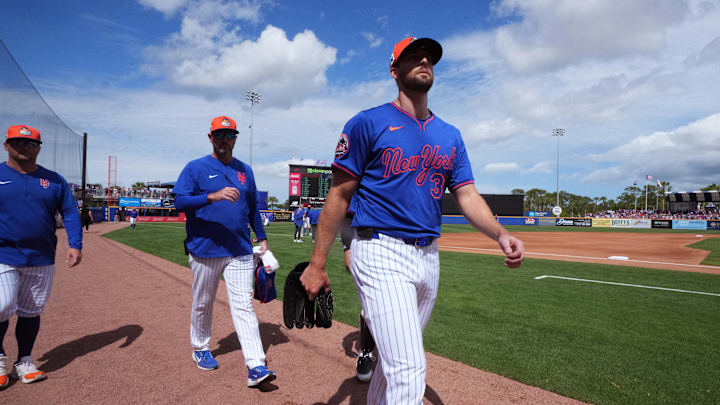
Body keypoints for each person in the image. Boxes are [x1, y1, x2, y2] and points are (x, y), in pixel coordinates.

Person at [300, 37, 525, 403]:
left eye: (429, 57)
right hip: (379, 250)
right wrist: (317, 262)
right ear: (394, 70)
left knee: (394, 368)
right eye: (412, 56)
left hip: (428, 257)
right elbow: (339, 195)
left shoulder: (450, 135)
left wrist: (500, 234)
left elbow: (467, 195)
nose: (424, 59)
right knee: (409, 370)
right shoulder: (367, 123)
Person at [172, 115, 275, 388]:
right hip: (205, 249)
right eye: (219, 135)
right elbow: (178, 201)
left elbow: (252, 209)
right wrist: (210, 196)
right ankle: (200, 347)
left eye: (229, 135)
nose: (224, 140)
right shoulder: (195, 168)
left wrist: (262, 239)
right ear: (210, 138)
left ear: (236, 138)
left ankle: (256, 365)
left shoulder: (245, 171)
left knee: (243, 305)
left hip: (239, 249)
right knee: (203, 302)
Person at [0, 124, 82, 388]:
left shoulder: (54, 180)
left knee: (30, 311)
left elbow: (69, 212)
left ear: (38, 148)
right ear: (6, 145)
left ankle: (23, 361)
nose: (24, 147)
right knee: (1, 306)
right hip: (3, 253)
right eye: (17, 142)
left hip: (41, 256)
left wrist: (75, 244)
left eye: (31, 144)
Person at [339, 208, 376, 382]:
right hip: (371, 244)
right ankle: (366, 352)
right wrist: (347, 248)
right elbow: (347, 211)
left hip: (411, 246)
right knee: (371, 305)